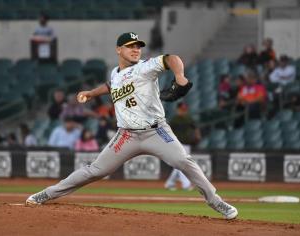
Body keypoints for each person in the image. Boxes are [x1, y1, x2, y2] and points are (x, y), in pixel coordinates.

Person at [26, 32, 238, 220]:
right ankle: (47, 194)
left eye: (138, 46)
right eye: (130, 46)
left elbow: (171, 58)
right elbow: (111, 85)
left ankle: (215, 201)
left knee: (184, 161)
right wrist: (91, 93)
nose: (136, 49)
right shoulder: (115, 72)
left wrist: (179, 76)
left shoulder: (145, 68)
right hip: (126, 135)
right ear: (119, 49)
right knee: (95, 171)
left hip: (156, 131)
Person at [165, 103, 201, 191]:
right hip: (177, 144)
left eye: (184, 109)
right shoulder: (174, 120)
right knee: (182, 164)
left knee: (180, 164)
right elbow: (168, 131)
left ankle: (170, 183)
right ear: (178, 109)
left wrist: (197, 136)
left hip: (187, 144)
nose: (183, 111)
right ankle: (186, 184)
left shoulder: (188, 119)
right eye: (182, 109)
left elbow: (195, 128)